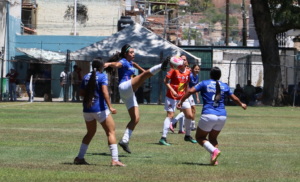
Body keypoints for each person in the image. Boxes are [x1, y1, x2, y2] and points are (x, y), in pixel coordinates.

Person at [104, 44, 169, 153]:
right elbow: (117, 64)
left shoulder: (130, 62)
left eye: (134, 52)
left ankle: (124, 140)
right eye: (131, 52)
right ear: (125, 54)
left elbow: (137, 66)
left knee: (136, 119)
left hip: (129, 93)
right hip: (124, 86)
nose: (133, 54)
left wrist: (145, 72)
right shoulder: (124, 61)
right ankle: (161, 65)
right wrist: (109, 64)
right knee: (145, 75)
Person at [177, 67, 247, 165]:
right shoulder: (224, 85)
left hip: (208, 115)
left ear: (210, 75)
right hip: (222, 116)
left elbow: (190, 91)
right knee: (213, 138)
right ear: (220, 76)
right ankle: (214, 160)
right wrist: (242, 104)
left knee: (199, 137)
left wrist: (181, 101)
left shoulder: (204, 83)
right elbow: (234, 98)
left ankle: (214, 151)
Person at [74, 58, 126, 167]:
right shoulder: (102, 76)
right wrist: (110, 107)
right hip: (99, 109)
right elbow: (105, 92)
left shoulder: (86, 76)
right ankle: (115, 160)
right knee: (111, 132)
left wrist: (91, 96)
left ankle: (79, 157)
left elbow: (81, 93)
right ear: (102, 67)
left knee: (90, 133)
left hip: (87, 110)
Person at [159, 55, 197, 146]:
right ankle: (163, 138)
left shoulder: (188, 72)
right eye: (182, 60)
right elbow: (165, 81)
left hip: (182, 97)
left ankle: (187, 136)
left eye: (185, 60)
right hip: (171, 97)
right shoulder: (173, 70)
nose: (183, 61)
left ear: (187, 62)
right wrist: (172, 91)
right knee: (170, 116)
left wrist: (186, 96)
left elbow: (186, 85)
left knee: (189, 115)